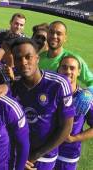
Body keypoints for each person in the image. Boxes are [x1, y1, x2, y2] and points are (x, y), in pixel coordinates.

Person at [10, 37, 75, 170]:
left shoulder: (59, 84)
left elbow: (66, 126)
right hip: (17, 155)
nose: (23, 62)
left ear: (37, 58)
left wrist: (34, 156)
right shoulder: (13, 84)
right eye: (18, 58)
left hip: (43, 157)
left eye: (28, 57)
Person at [55, 56, 93, 170]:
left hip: (67, 154)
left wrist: (74, 139)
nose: (68, 71)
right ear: (58, 69)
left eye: (72, 68)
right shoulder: (49, 92)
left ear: (78, 72)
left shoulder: (85, 99)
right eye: (64, 67)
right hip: (45, 151)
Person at [39, 21, 93, 91]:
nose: (54, 36)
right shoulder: (39, 57)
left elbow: (91, 82)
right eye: (51, 32)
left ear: (65, 38)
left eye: (59, 34)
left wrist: (84, 96)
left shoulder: (73, 60)